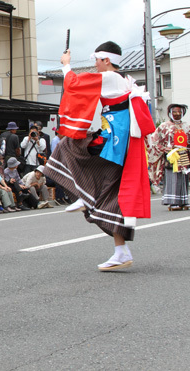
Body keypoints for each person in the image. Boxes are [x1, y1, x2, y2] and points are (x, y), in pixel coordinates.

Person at [44, 41, 155, 271]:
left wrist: (66, 65)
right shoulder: (122, 80)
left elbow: (75, 85)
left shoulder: (112, 78)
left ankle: (85, 195)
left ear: (106, 60)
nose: (94, 65)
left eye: (96, 60)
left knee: (70, 144)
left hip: (113, 142)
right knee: (111, 199)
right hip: (119, 141)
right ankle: (121, 250)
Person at [147, 104, 190, 209]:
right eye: (175, 112)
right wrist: (165, 149)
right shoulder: (164, 126)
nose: (177, 114)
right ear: (170, 113)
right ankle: (172, 202)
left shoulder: (186, 126)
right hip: (171, 156)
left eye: (179, 112)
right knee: (173, 177)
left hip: (184, 155)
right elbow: (154, 141)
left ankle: (183, 201)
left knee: (184, 178)